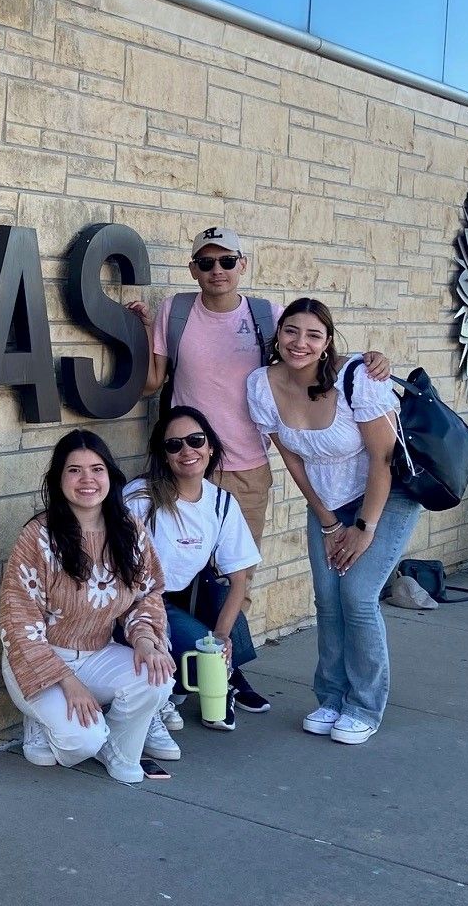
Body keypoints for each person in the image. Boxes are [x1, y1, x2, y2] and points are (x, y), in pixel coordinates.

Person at [128, 224, 390, 716]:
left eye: (227, 261)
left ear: (242, 265)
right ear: (194, 269)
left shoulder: (267, 316)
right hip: (186, 462)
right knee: (174, 571)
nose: (218, 270)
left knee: (235, 576)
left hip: (246, 467)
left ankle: (228, 670)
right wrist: (143, 329)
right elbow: (151, 382)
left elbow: (309, 358)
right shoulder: (176, 311)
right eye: (207, 262)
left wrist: (371, 359)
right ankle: (179, 672)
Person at [246, 298, 420, 745]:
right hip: (327, 502)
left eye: (313, 335)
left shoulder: (357, 378)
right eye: (291, 331)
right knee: (327, 599)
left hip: (385, 498)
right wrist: (327, 520)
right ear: (278, 335)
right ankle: (331, 698)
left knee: (357, 597)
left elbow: (383, 460)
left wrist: (364, 528)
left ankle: (364, 706)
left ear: (327, 342)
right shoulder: (262, 384)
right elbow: (292, 459)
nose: (299, 343)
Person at [0, 429, 177, 784]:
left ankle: (116, 747)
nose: (87, 479)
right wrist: (67, 681)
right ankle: (42, 720)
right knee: (79, 743)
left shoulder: (129, 530)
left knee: (157, 679)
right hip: (38, 660)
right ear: (58, 479)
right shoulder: (38, 536)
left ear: (110, 475)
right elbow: (18, 622)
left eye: (97, 469)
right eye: (74, 470)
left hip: (98, 653)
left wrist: (145, 640)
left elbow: (147, 594)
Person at [124, 406, 261, 733]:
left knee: (221, 605)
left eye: (195, 440)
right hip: (143, 601)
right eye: (174, 445)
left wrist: (222, 636)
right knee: (202, 659)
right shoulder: (141, 499)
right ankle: (205, 679)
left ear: (210, 447)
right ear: (164, 455)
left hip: (190, 595)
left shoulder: (221, 502)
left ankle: (227, 674)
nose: (187, 450)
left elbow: (239, 578)